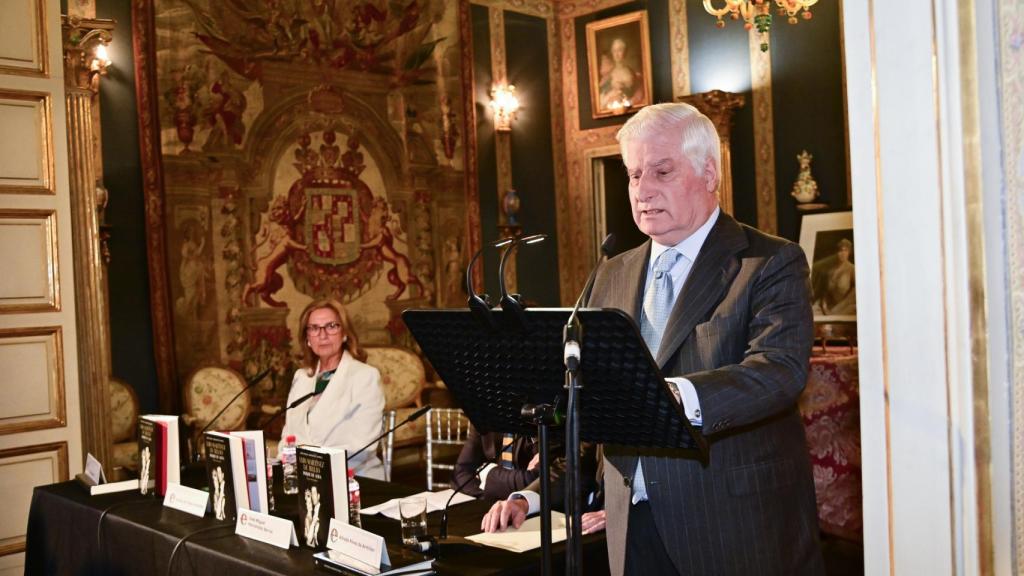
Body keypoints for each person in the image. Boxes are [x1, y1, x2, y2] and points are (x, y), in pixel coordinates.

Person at [481, 103, 823, 575]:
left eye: (662, 171)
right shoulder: (611, 272)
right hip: (630, 523)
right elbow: (591, 402)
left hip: (733, 523)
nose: (642, 191)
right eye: (634, 174)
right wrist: (533, 495)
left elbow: (779, 370)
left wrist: (671, 396)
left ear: (709, 173)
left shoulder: (769, 262)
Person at [280, 299, 386, 479]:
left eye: (331, 326)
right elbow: (288, 435)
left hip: (354, 478)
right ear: (307, 338)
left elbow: (363, 444)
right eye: (314, 328)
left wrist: (310, 462)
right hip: (304, 477)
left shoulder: (365, 376)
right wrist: (286, 465)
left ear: (344, 333)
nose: (322, 335)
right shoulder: (301, 377)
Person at [452, 428, 541, 500]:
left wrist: (488, 474)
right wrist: (490, 494)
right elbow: (460, 474)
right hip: (493, 508)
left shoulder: (539, 416)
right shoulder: (484, 416)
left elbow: (540, 481)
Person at [811, 237, 856, 315]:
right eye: (840, 250)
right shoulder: (830, 270)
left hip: (844, 307)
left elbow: (853, 295)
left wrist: (835, 310)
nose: (842, 253)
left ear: (849, 252)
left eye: (845, 250)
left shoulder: (852, 269)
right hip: (828, 307)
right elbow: (824, 292)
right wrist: (824, 306)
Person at [598, 38, 645, 110]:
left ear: (625, 52)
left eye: (619, 50)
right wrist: (611, 94)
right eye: (614, 51)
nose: (616, 54)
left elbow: (639, 96)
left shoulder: (633, 74)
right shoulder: (607, 76)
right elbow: (600, 101)